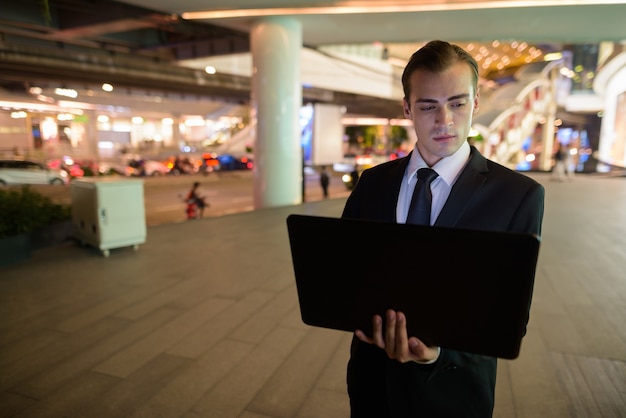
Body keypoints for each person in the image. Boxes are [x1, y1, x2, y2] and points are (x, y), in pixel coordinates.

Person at [341, 40, 545, 417]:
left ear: (476, 103)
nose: (444, 121)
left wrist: (437, 352)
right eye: (428, 106)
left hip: (454, 396)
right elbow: (347, 282)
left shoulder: (518, 196)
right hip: (373, 390)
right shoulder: (372, 184)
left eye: (457, 103)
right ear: (407, 108)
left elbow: (509, 322)